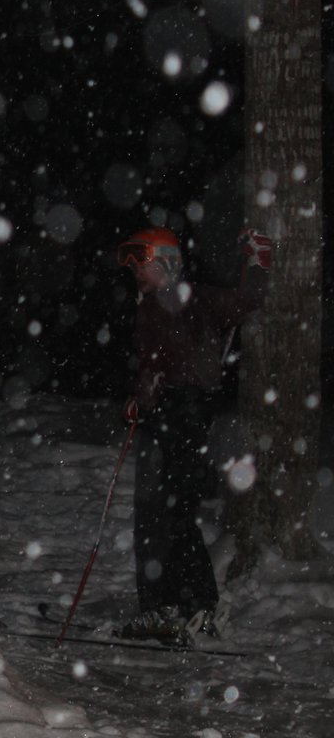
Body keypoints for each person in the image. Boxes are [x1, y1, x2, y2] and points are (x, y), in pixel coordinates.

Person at [114, 225, 271, 643]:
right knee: (153, 518)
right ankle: (166, 609)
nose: (134, 270)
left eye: (139, 260)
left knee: (172, 514)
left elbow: (248, 299)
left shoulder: (194, 297)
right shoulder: (148, 306)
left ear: (165, 260)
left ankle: (195, 607)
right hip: (161, 416)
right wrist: (141, 397)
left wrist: (259, 261)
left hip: (187, 416)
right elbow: (155, 364)